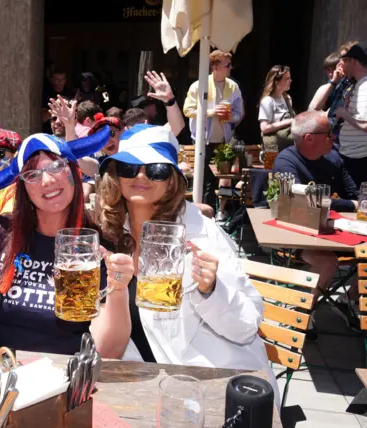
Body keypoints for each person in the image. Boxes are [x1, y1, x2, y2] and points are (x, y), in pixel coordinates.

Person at [98, 124, 278, 405]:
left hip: (214, 385)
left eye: (155, 169)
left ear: (171, 179)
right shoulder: (109, 234)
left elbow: (247, 326)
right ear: (116, 176)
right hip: (147, 382)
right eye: (130, 168)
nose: (141, 175)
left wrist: (211, 290)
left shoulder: (201, 233)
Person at [0, 126, 134, 358]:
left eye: (56, 166)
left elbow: (108, 351)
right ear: (23, 187)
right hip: (6, 375)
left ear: (73, 172)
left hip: (67, 379)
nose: (46, 180)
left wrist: (118, 288)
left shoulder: (98, 243)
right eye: (33, 175)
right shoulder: (0, 233)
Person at [273, 111, 359, 313]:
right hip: (298, 234)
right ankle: (300, 312)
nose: (333, 137)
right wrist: (350, 205)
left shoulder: (333, 159)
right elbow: (302, 200)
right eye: (328, 133)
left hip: (332, 230)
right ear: (309, 138)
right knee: (327, 262)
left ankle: (350, 300)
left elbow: (354, 194)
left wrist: (355, 203)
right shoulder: (286, 162)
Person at [183, 50, 244, 220]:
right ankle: (201, 212)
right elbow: (187, 110)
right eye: (227, 65)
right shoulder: (198, 85)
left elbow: (240, 113)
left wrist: (231, 117)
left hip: (224, 140)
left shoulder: (233, 86)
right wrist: (210, 112)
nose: (230, 68)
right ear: (215, 67)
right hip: (203, 140)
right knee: (203, 178)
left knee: (223, 178)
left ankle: (219, 211)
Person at [335, 42, 367, 187]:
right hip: (352, 155)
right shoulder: (359, 84)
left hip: (357, 158)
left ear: (353, 61)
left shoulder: (365, 87)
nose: (342, 65)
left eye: (345, 60)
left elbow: (365, 124)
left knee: (356, 200)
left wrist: (344, 113)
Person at [259, 65, 296, 152]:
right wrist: (288, 121)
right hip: (272, 148)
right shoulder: (268, 101)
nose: (290, 81)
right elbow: (264, 128)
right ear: (277, 82)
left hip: (287, 146)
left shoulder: (287, 98)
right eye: (287, 79)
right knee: (272, 165)